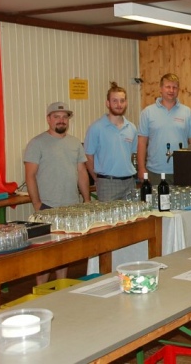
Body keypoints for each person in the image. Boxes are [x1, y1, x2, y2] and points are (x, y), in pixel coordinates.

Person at [24, 101, 90, 284]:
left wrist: (86, 199)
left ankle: (61, 287)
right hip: (47, 207)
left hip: (71, 207)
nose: (61, 120)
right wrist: (37, 204)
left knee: (64, 253)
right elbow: (30, 176)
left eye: (64, 117)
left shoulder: (75, 143)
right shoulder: (36, 143)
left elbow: (82, 172)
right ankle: (41, 291)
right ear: (48, 119)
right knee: (45, 255)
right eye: (56, 117)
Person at [137, 73, 191, 185]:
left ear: (178, 90)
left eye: (174, 87)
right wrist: (141, 168)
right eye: (168, 87)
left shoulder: (187, 113)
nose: (171, 90)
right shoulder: (147, 113)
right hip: (155, 172)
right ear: (161, 89)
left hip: (182, 171)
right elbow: (142, 142)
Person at [85, 82, 138, 202]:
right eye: (115, 101)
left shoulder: (132, 128)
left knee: (132, 214)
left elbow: (131, 154)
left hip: (129, 182)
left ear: (126, 103)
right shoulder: (96, 128)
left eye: (122, 101)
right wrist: (98, 179)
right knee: (107, 215)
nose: (119, 105)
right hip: (107, 183)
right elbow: (88, 157)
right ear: (107, 103)